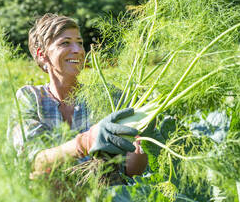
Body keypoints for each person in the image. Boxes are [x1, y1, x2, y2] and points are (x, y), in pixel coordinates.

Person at [12, 13, 148, 180]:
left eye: (80, 43)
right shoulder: (31, 97)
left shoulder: (110, 96)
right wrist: (86, 142)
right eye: (65, 43)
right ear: (42, 54)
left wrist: (142, 142)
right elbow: (34, 161)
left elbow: (131, 171)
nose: (77, 50)